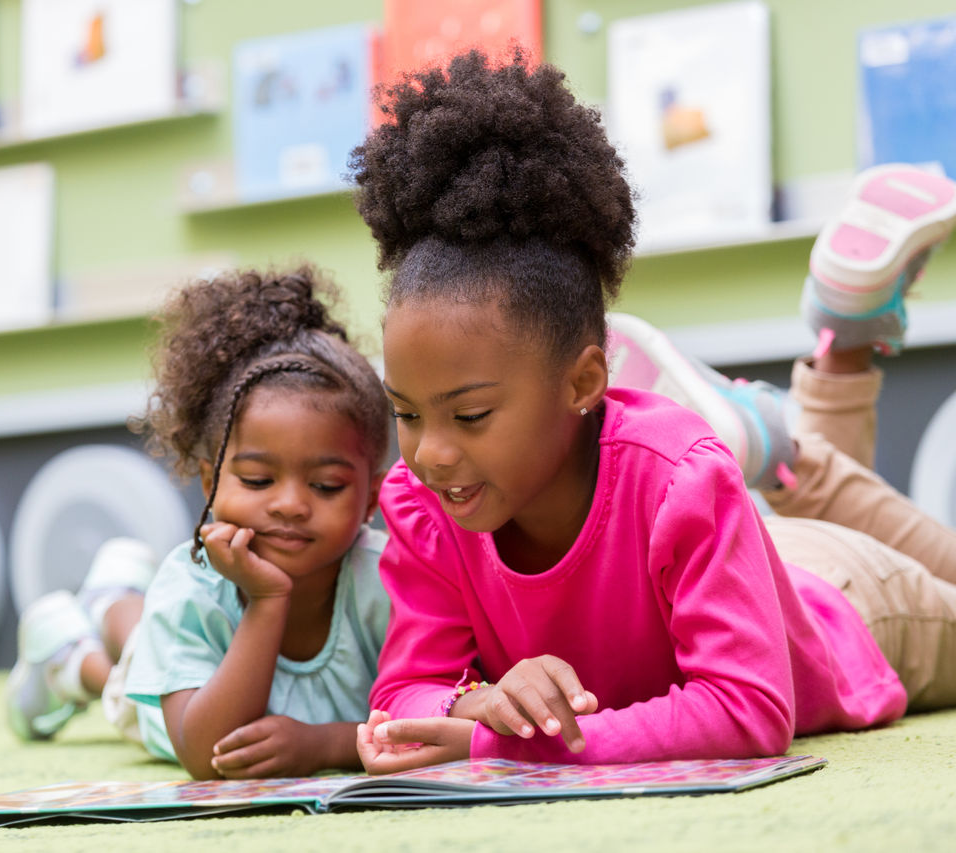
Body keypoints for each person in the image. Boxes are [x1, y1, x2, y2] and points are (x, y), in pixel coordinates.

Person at [349, 48, 956, 771]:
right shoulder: (427, 506)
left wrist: (519, 743)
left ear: (583, 383)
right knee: (754, 506)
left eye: (471, 415)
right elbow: (407, 689)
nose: (429, 453)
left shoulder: (682, 480)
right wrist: (468, 703)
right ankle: (827, 367)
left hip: (846, 605)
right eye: (408, 414)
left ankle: (832, 365)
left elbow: (748, 708)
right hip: (726, 563)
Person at [5, 266, 394, 780]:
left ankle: (109, 596)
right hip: (176, 715)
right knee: (124, 686)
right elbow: (204, 754)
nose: (291, 504)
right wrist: (266, 599)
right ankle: (70, 657)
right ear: (211, 482)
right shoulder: (192, 585)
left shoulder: (390, 579)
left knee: (145, 638)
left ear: (371, 497)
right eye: (257, 480)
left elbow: (424, 713)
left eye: (325, 486)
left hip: (176, 640)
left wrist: (326, 745)